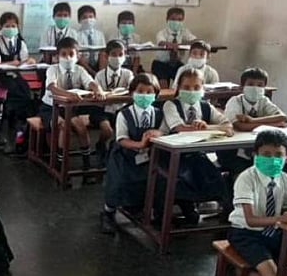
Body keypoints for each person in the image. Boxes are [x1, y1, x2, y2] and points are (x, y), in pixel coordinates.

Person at [227, 130, 287, 276]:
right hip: (246, 234)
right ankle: (238, 274)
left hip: (276, 231)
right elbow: (251, 220)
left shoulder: (286, 180)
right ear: (255, 155)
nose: (273, 159)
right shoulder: (246, 178)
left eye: (278, 155)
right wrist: (281, 219)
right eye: (266, 154)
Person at [159, 68, 233, 225]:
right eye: (186, 88)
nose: (191, 91)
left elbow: (227, 126)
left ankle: (225, 214)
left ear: (203, 88)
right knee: (182, 177)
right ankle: (187, 209)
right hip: (171, 154)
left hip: (196, 154)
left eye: (196, 88)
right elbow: (179, 128)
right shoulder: (170, 105)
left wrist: (207, 127)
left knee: (213, 176)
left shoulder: (206, 107)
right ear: (178, 88)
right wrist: (208, 128)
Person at [101, 73, 163, 233]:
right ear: (132, 93)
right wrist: (139, 144)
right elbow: (121, 139)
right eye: (140, 91)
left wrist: (158, 134)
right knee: (119, 183)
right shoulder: (124, 114)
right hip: (124, 155)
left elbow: (165, 131)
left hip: (149, 156)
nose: (145, 95)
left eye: (149, 92)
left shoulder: (158, 113)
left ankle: (143, 208)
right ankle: (108, 212)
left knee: (154, 180)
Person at [39, 37, 106, 170]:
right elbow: (52, 87)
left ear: (78, 56)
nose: (68, 58)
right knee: (63, 127)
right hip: (51, 108)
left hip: (69, 108)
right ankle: (61, 164)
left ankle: (86, 164)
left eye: (71, 54)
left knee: (81, 127)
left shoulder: (80, 70)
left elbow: (90, 82)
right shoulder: (52, 69)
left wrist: (97, 89)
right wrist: (69, 94)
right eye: (63, 54)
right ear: (57, 56)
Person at [217, 67, 287, 178]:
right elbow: (240, 126)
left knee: (274, 166)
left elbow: (282, 117)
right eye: (250, 84)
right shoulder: (234, 101)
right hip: (232, 151)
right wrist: (274, 124)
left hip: (256, 149)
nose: (255, 88)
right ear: (242, 87)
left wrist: (253, 120)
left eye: (260, 85)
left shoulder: (263, 101)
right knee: (242, 170)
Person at [78, 39, 135, 162]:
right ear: (107, 56)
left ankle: (114, 151)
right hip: (102, 110)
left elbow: (132, 89)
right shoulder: (100, 75)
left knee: (124, 128)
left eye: (121, 55)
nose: (117, 58)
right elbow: (97, 94)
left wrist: (116, 95)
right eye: (114, 54)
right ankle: (101, 143)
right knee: (107, 129)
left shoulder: (128, 74)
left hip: (121, 109)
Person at [0, 11, 37, 148]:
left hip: (17, 74)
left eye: (13, 25)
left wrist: (29, 61)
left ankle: (21, 121)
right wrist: (11, 63)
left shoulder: (20, 42)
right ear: (0, 26)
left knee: (26, 92)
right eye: (7, 25)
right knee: (13, 90)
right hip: (0, 75)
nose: (10, 29)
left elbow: (24, 59)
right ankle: (13, 117)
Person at [151, 7, 197, 85]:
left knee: (186, 79)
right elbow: (161, 42)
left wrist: (179, 45)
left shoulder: (184, 32)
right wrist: (172, 45)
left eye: (179, 20)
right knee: (163, 85)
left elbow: (195, 41)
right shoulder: (162, 32)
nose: (176, 22)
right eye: (173, 19)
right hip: (161, 64)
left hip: (176, 63)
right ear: (167, 19)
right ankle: (164, 96)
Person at [76, 5, 107, 75]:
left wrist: (100, 74)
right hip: (83, 66)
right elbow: (79, 58)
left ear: (95, 18)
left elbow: (103, 54)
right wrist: (92, 72)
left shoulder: (100, 34)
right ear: (79, 20)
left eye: (91, 17)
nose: (88, 20)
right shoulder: (76, 35)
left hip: (99, 65)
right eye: (84, 17)